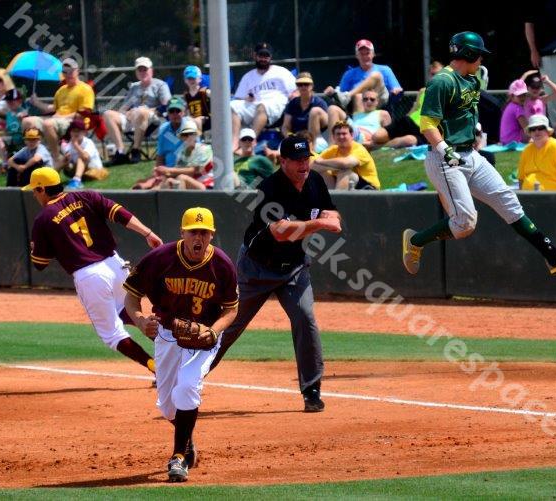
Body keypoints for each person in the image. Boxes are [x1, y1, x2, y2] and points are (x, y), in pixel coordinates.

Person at [401, 32, 556, 277]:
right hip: (445, 158)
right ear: (467, 53)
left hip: (471, 155)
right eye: (478, 54)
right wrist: (444, 149)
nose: (481, 60)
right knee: (465, 224)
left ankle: (553, 256)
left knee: (509, 203)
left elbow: (465, 114)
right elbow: (426, 124)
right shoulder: (442, 82)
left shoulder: (472, 79)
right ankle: (415, 241)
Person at [209, 135, 342, 413]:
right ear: (283, 162)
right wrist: (319, 223)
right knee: (229, 325)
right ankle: (191, 374)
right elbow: (282, 233)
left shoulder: (315, 181)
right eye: (297, 160)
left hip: (294, 268)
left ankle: (311, 390)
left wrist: (330, 220)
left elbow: (332, 213)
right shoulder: (270, 188)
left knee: (306, 320)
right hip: (256, 268)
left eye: (306, 158)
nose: (304, 164)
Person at [123, 207, 238, 483]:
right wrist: (139, 321)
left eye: (204, 233)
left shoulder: (222, 265)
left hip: (203, 336)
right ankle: (187, 440)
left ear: (212, 235)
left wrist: (213, 333)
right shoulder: (158, 259)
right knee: (167, 406)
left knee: (187, 386)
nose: (199, 238)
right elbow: (131, 299)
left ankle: (178, 457)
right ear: (182, 233)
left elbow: (231, 310)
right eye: (193, 232)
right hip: (167, 334)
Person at [24, 167, 163, 383]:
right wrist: (148, 233)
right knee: (129, 312)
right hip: (116, 265)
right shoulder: (85, 196)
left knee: (112, 335)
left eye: (35, 190)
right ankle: (173, 352)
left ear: (42, 189)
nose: (34, 194)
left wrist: (48, 244)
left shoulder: (43, 219)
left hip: (89, 275)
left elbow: (40, 263)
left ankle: (156, 367)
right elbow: (120, 214)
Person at [23, 58, 95, 167]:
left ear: (77, 71)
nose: (68, 74)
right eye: (65, 72)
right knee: (27, 121)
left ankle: (56, 158)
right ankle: (30, 157)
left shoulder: (85, 89)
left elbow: (84, 113)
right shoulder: (61, 90)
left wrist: (60, 117)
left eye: (71, 71)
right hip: (57, 120)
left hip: (75, 123)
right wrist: (36, 102)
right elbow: (52, 108)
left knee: (48, 123)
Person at [104, 57, 171, 165]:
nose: (142, 72)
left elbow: (166, 106)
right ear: (136, 72)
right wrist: (128, 113)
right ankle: (120, 152)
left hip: (153, 121)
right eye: (139, 70)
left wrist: (144, 110)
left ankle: (136, 150)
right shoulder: (134, 87)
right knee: (108, 114)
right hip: (133, 119)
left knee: (141, 111)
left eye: (145, 69)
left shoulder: (161, 85)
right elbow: (123, 109)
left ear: (151, 71)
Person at [230, 43, 296, 150]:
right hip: (254, 105)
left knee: (262, 106)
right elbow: (239, 98)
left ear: (270, 57)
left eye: (266, 56)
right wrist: (247, 98)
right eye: (261, 56)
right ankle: (235, 143)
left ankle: (251, 141)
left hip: (276, 105)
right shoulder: (248, 76)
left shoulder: (281, 72)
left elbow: (295, 91)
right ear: (255, 56)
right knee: (232, 105)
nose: (263, 59)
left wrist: (294, 98)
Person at [372, 61, 443, 149]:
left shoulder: (448, 94)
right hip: (409, 122)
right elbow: (413, 110)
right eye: (433, 74)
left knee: (409, 141)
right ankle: (374, 144)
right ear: (429, 76)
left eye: (439, 74)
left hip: (425, 130)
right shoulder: (423, 91)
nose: (436, 77)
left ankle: (375, 146)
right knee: (377, 136)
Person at [324, 39, 404, 113]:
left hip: (379, 103)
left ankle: (349, 96)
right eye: (362, 54)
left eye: (367, 53)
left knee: (376, 75)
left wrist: (396, 92)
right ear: (357, 56)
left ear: (373, 54)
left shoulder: (385, 70)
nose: (365, 56)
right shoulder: (349, 74)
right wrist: (333, 93)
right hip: (358, 106)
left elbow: (397, 91)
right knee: (334, 109)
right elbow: (340, 98)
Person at [133, 98, 197, 190]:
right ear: (168, 113)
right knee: (141, 185)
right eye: (171, 111)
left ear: (184, 112)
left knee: (156, 187)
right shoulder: (163, 129)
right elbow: (160, 156)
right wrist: (157, 171)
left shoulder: (190, 127)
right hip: (166, 172)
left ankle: (152, 189)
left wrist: (169, 171)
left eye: (178, 111)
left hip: (183, 172)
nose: (175, 114)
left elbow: (194, 169)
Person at [312, 121, 381, 190]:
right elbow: (313, 167)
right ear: (333, 137)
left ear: (351, 135)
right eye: (338, 134)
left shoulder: (359, 149)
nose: (341, 137)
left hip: (368, 187)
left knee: (344, 171)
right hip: (347, 185)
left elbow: (346, 163)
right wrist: (329, 167)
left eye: (344, 134)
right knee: (321, 172)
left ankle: (338, 199)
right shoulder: (333, 150)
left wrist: (322, 162)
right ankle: (330, 198)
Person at [518, 114, 556, 191]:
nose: (536, 131)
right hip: (528, 197)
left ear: (547, 131)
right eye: (533, 129)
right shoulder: (526, 150)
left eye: (540, 128)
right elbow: (521, 179)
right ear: (530, 132)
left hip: (553, 198)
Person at [157, 123, 214, 190]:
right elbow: (178, 170)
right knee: (168, 181)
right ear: (182, 137)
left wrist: (169, 170)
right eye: (185, 135)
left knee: (181, 178)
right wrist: (164, 173)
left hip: (207, 186)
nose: (188, 137)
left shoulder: (205, 149)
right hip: (192, 185)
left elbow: (196, 170)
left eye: (191, 134)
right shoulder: (182, 153)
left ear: (196, 136)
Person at [0, 88, 27, 174]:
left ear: (19, 101)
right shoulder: (9, 114)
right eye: (8, 101)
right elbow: (8, 129)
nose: (9, 103)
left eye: (12, 101)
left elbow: (26, 124)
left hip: (19, 138)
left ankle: (5, 165)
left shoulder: (23, 112)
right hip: (10, 138)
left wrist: (22, 118)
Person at [281, 72, 329, 143]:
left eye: (306, 84)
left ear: (312, 86)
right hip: (297, 141)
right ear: (297, 86)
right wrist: (291, 137)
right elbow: (285, 127)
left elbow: (328, 125)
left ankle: (310, 147)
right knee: (284, 149)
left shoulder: (319, 103)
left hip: (317, 142)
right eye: (300, 84)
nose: (303, 86)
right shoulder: (292, 103)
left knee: (315, 111)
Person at [62, 119, 106, 189]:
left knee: (82, 157)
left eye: (78, 131)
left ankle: (76, 181)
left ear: (84, 132)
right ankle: (49, 180)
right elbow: (68, 165)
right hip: (81, 171)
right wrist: (66, 162)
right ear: (70, 132)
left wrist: (76, 145)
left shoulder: (88, 142)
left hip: (95, 171)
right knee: (62, 160)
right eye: (73, 131)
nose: (75, 133)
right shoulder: (69, 145)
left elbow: (86, 157)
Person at [499, 79, 530, 144]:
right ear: (512, 96)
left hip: (505, 140)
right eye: (519, 95)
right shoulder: (517, 109)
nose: (523, 97)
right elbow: (527, 128)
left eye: (524, 95)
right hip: (513, 142)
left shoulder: (510, 106)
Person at [182, 65, 211, 133]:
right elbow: (186, 110)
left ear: (200, 79)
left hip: (207, 119)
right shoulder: (186, 95)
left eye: (193, 78)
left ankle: (198, 139)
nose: (191, 81)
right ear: (185, 80)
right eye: (189, 78)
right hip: (192, 119)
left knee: (197, 120)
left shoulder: (205, 91)